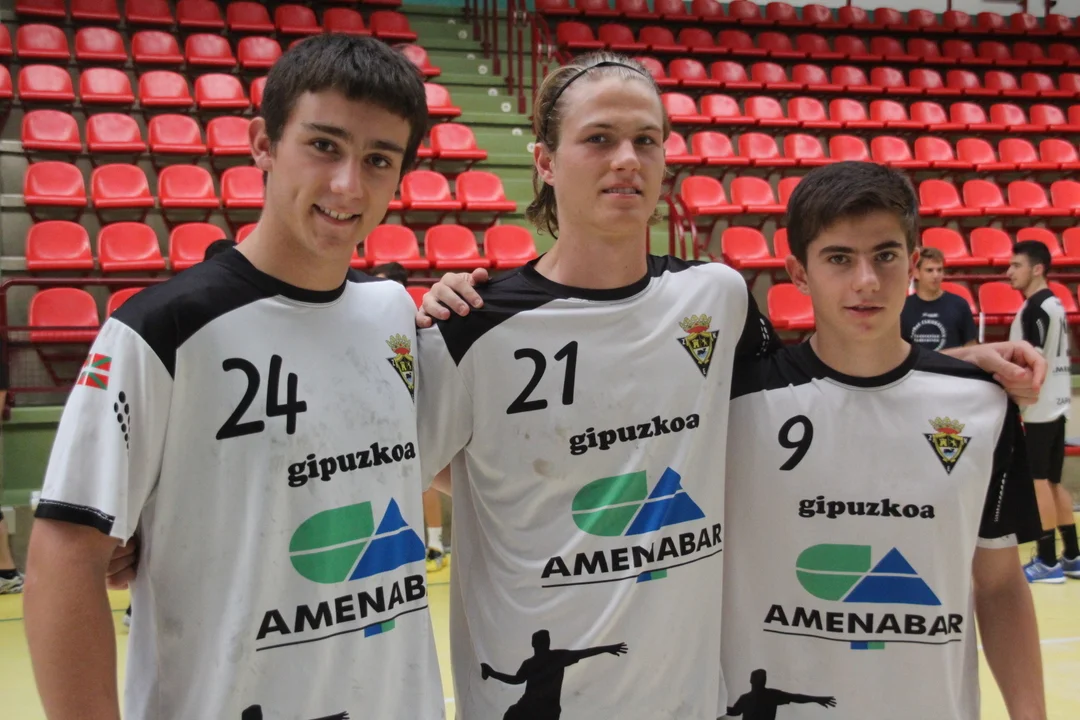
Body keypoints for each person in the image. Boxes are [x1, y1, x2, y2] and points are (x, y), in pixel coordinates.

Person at [412, 54, 1045, 719]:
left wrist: (960, 366)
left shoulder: (715, 297)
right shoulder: (472, 326)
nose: (627, 159)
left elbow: (825, 377)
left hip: (685, 703)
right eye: (599, 138)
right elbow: (401, 474)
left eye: (646, 140)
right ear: (544, 161)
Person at [24, 35, 445, 720]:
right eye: (324, 146)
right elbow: (64, 558)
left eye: (378, 159)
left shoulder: (396, 314)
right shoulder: (160, 330)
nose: (348, 185)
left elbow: (469, 465)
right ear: (262, 144)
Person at [720, 162, 1044, 719]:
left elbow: (998, 585)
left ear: (913, 264)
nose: (866, 280)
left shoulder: (983, 406)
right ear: (799, 273)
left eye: (886, 255)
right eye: (839, 259)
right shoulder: (736, 401)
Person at [1007, 240, 1078, 583]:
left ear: (1037, 269)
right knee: (1052, 481)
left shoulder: (1036, 307)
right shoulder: (1056, 303)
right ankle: (1073, 556)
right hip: (1057, 403)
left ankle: (1048, 560)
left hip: (1038, 408)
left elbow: (1031, 359)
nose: (1009, 272)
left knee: (1038, 483)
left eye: (1016, 265)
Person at [371, 261, 448, 569]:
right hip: (378, 420)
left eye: (381, 284)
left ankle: (436, 544)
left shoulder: (417, 324)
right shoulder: (367, 324)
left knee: (426, 483)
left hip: (414, 415)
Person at [901, 246, 977, 350]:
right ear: (916, 273)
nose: (936, 275)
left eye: (939, 270)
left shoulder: (959, 305)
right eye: (929, 270)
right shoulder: (904, 307)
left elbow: (971, 346)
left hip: (951, 361)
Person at [726, 669, 836, 720]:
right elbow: (795, 697)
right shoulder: (772, 695)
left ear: (751, 680)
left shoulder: (746, 698)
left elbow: (734, 712)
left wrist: (816, 699)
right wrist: (816, 699)